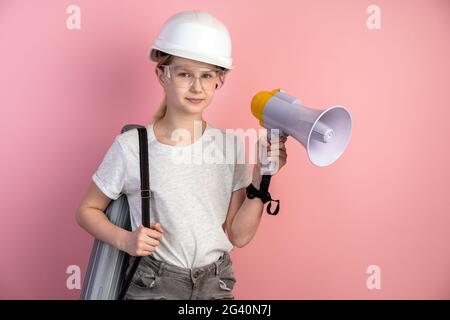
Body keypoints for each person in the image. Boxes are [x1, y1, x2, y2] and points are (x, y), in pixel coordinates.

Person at [76, 10, 287, 300]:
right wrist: (126, 240)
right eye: (185, 73)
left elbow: (238, 235)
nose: (197, 86)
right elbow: (86, 211)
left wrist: (262, 176)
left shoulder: (230, 146)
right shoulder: (131, 147)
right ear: (162, 74)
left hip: (216, 284)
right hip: (154, 285)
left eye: (207, 75)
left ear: (219, 81)